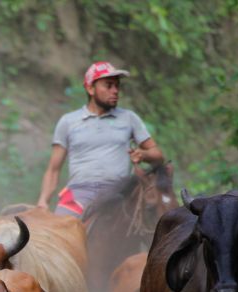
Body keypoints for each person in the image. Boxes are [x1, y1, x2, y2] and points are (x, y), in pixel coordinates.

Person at [37, 61, 164, 216]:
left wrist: (143, 154)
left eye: (117, 86)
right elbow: (53, 169)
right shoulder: (68, 121)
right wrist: (43, 201)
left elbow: (158, 155)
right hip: (78, 194)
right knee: (58, 228)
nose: (115, 91)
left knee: (144, 224)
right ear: (90, 88)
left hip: (118, 194)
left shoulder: (129, 118)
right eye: (108, 85)